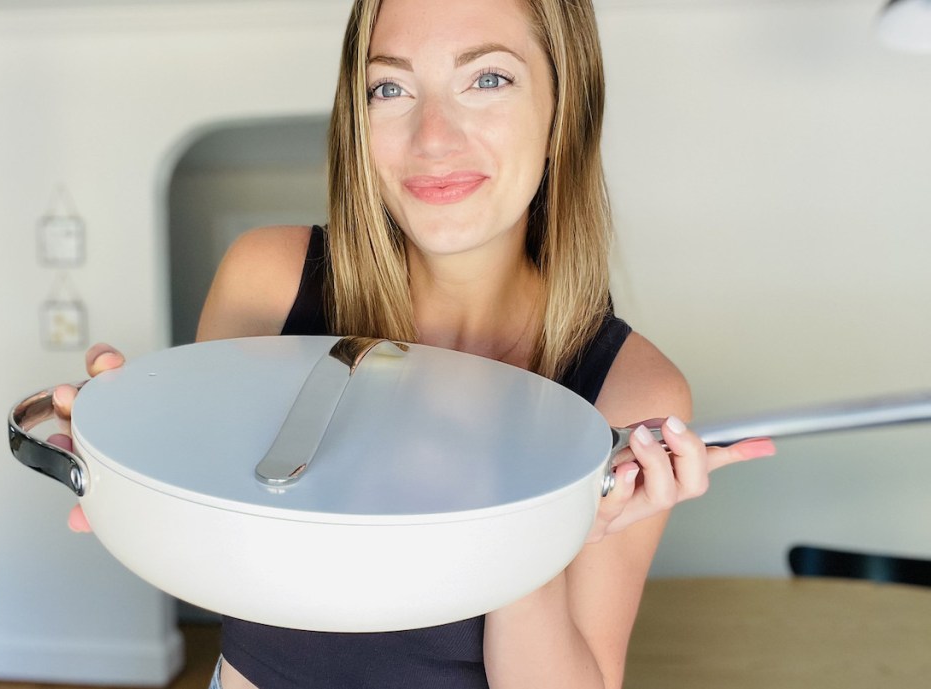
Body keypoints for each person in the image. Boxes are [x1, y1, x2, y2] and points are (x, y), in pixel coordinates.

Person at [54, 0, 776, 686]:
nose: (432, 137)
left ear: (565, 108)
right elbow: (216, 549)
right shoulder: (266, 283)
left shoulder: (627, 391)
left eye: (487, 78)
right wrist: (132, 463)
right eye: (390, 87)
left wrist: (538, 533)